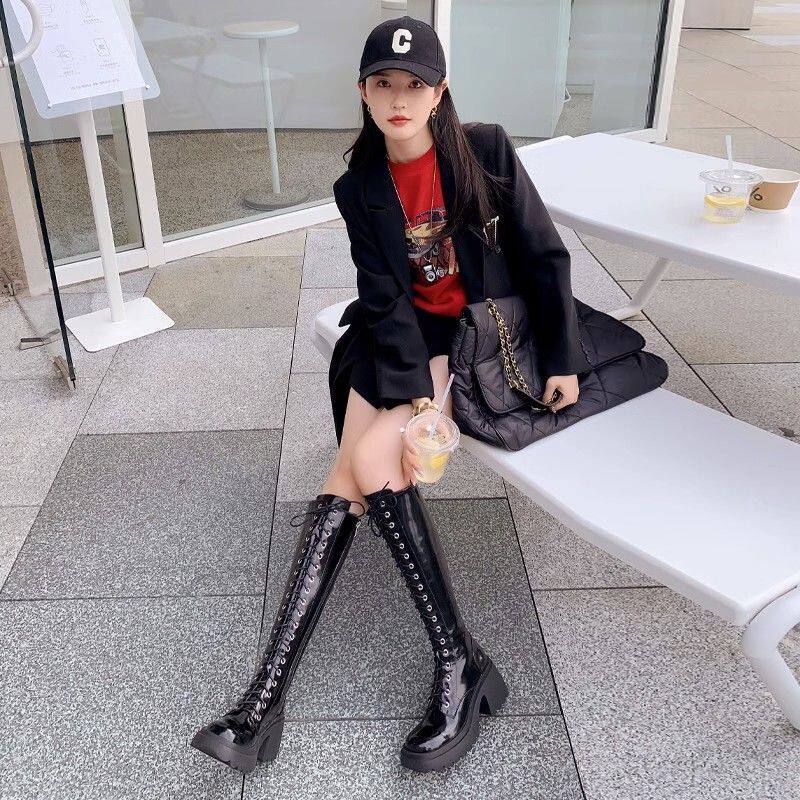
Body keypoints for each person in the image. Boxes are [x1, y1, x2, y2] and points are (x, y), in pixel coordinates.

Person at [191, 15, 587, 776]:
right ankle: (444, 665)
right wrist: (415, 399)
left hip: (476, 335)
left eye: (414, 85)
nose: (399, 99)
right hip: (397, 337)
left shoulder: (486, 150)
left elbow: (543, 253)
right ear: (364, 93)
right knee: (359, 470)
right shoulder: (360, 186)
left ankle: (268, 704)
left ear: (439, 93)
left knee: (362, 468)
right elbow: (384, 297)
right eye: (383, 85)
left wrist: (562, 357)